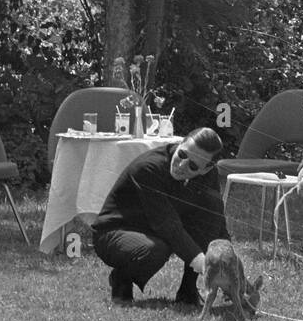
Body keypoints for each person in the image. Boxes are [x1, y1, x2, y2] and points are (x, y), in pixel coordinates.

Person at [92, 127, 229, 306]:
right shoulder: (149, 167)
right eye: (182, 154)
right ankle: (121, 278)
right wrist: (207, 267)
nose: (181, 165)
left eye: (193, 166)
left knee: (208, 215)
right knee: (154, 250)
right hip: (115, 231)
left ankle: (187, 291)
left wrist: (229, 269)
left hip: (157, 229)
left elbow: (216, 218)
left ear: (206, 169)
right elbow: (167, 225)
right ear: (180, 143)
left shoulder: (209, 175)